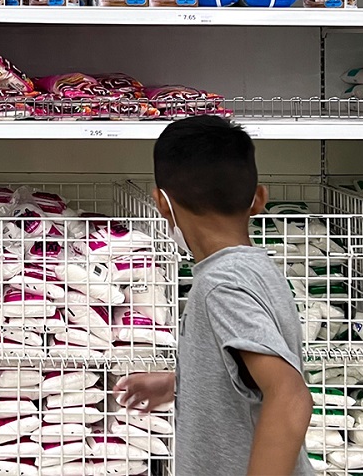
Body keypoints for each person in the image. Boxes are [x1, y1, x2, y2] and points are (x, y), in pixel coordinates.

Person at [114, 115, 314, 476]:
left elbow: (289, 394)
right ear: (260, 199)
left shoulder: (221, 286)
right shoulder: (255, 269)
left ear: (162, 204)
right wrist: (184, 384)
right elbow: (248, 378)